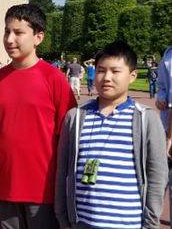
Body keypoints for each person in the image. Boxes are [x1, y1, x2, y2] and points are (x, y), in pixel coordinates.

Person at [55, 41, 168, 229]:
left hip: (128, 223)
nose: (106, 77)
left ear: (132, 76)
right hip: (82, 222)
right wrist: (62, 216)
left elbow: (157, 175)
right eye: (101, 70)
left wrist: (150, 223)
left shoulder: (146, 119)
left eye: (115, 71)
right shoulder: (75, 117)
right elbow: (63, 170)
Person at [0, 3, 77, 229]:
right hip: (3, 189)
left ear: (38, 37)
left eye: (18, 33)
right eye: (7, 32)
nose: (9, 39)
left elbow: (69, 138)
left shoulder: (54, 79)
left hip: (43, 192)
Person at [156, 45, 172, 229]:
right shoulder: (168, 53)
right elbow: (162, 84)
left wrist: (170, 137)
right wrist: (160, 96)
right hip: (165, 124)